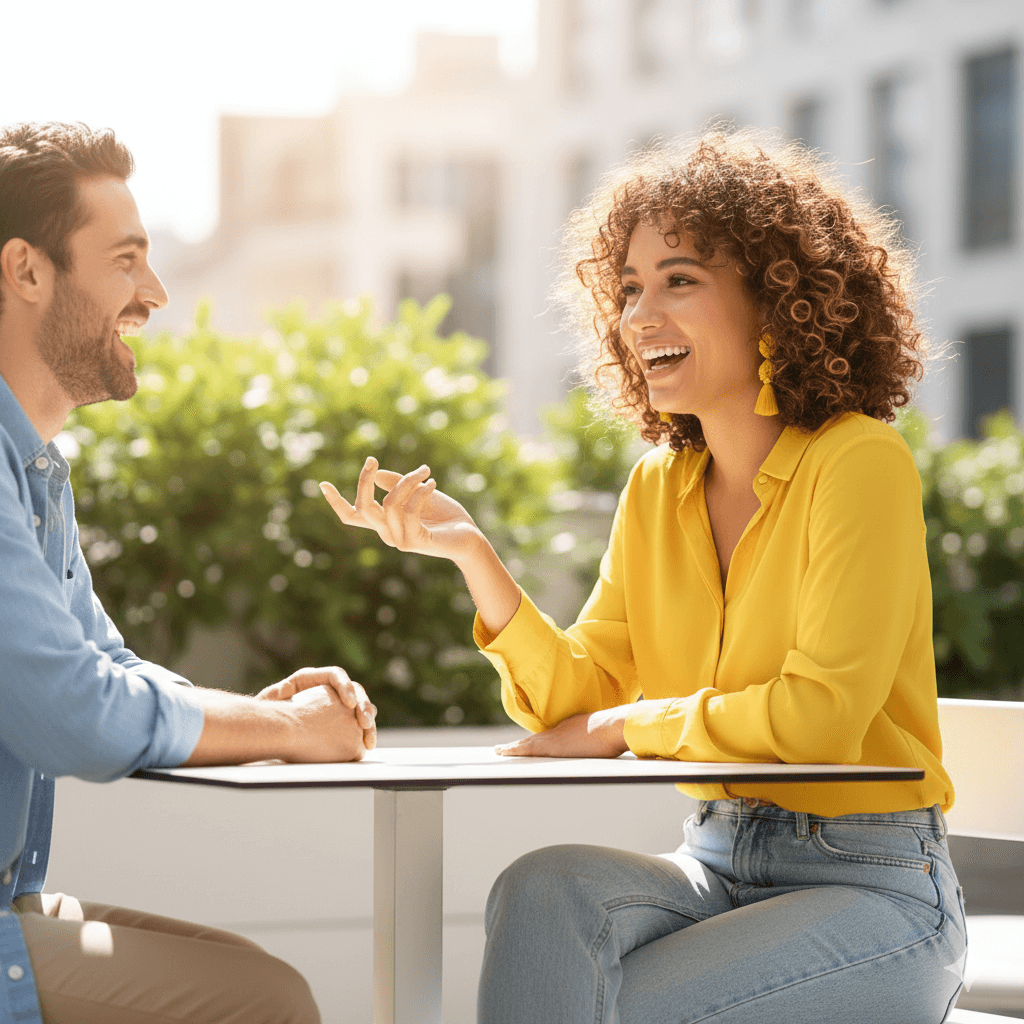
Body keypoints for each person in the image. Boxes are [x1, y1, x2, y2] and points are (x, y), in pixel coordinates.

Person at [321, 129, 967, 1024]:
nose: (638, 315)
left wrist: (630, 724)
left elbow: (817, 715)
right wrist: (476, 557)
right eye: (628, 289)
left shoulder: (859, 463)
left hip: (877, 889)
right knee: (542, 891)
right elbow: (572, 702)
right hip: (715, 862)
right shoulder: (660, 488)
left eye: (680, 280)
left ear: (778, 300)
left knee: (614, 1008)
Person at [0, 122, 378, 1024]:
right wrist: (285, 728)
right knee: (264, 1001)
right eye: (126, 261)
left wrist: (264, 713)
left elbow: (111, 669)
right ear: (26, 270)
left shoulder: (38, 475)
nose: (155, 293)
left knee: (246, 970)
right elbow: (75, 714)